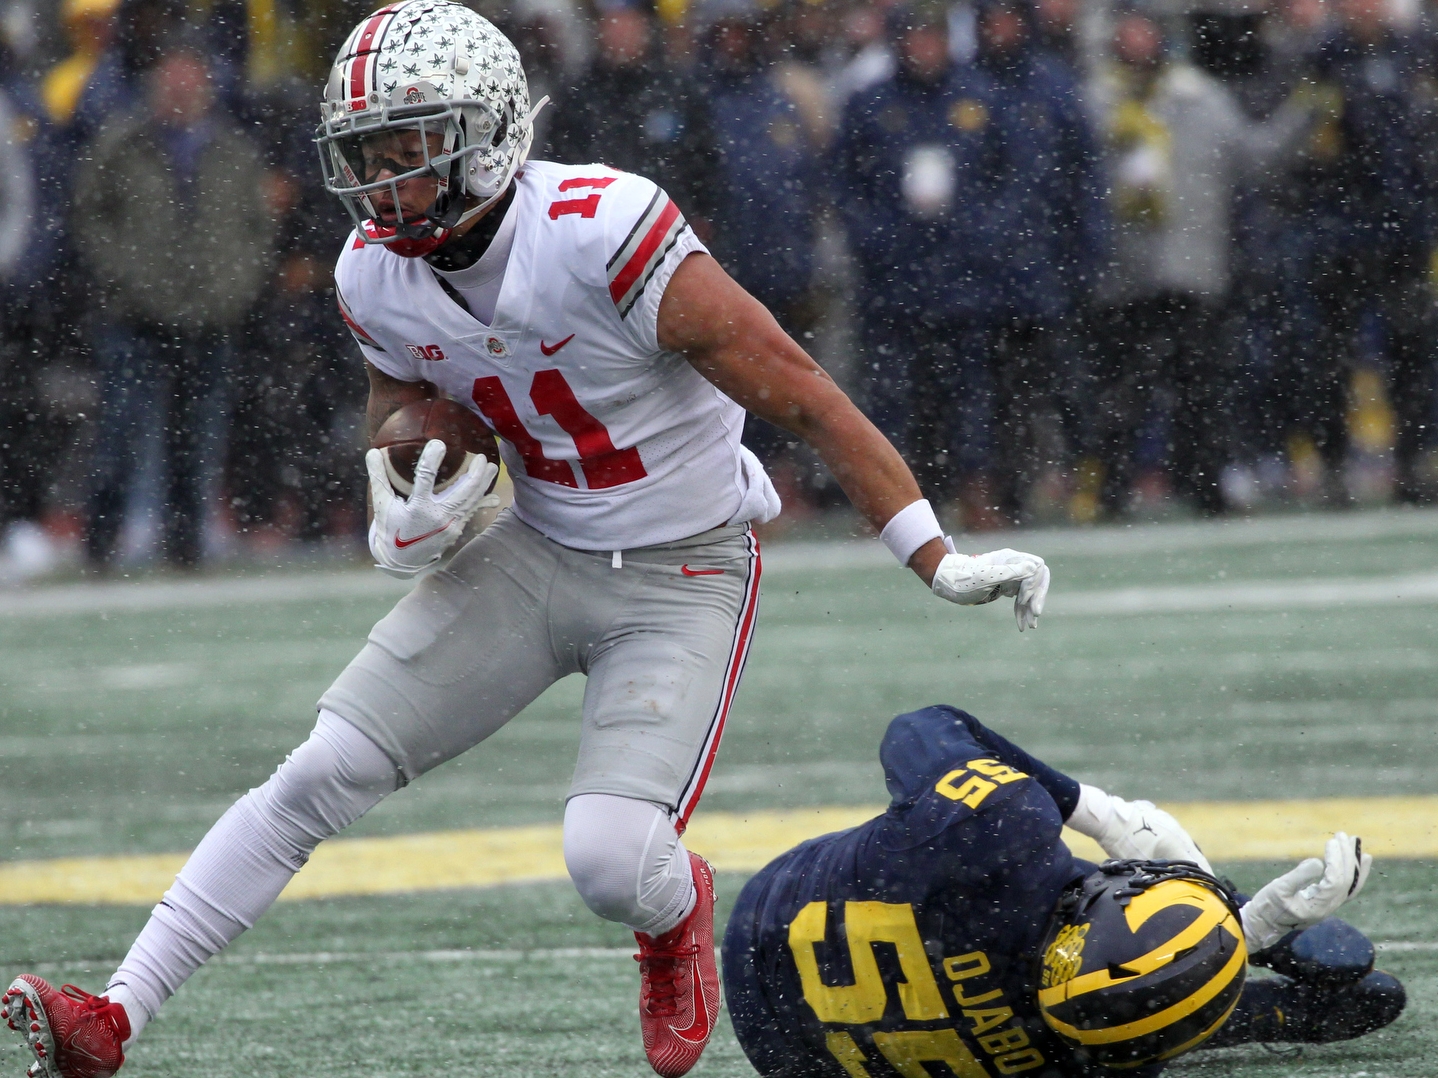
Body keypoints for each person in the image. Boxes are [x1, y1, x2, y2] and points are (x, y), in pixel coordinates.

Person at [3, 5, 1051, 1078]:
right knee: (317, 774)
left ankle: (673, 899)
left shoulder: (607, 229)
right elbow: (401, 413)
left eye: (407, 153)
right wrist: (408, 496)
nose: (380, 184)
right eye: (364, 156)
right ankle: (115, 1017)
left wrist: (935, 556)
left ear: (489, 135)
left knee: (607, 862)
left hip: (678, 570)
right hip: (534, 548)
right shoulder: (372, 271)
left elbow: (806, 397)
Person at [723, 704, 1405, 1077]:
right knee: (1154, 1016)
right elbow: (1369, 1000)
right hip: (794, 1064)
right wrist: (1248, 933)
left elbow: (922, 725)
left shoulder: (1001, 830)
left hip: (768, 918)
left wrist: (1099, 814)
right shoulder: (1099, 1053)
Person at [1086, 13, 1313, 517]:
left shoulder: (1201, 99)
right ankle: (1112, 492)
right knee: (1124, 392)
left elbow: (1255, 158)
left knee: (1202, 389)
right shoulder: (1096, 101)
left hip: (1192, 269)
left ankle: (1205, 486)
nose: (1137, 42)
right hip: (1122, 273)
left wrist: (1304, 113)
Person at [74, 44, 275, 568]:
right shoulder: (122, 143)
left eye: (191, 81)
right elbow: (89, 218)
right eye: (173, 81)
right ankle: (100, 546)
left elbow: (258, 227)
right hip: (134, 317)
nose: (182, 91)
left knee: (197, 440)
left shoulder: (234, 149)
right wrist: (125, 278)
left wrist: (233, 287)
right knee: (119, 432)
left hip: (210, 318)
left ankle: (185, 545)